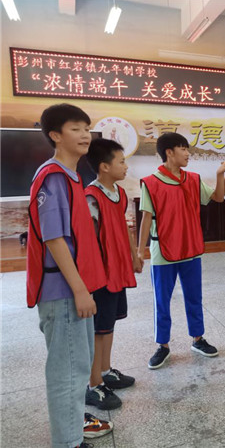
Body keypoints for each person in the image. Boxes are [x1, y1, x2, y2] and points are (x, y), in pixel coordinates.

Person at [27, 103, 113, 447]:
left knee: (78, 366)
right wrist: (79, 290)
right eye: (75, 128)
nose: (85, 135)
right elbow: (54, 238)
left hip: (74, 288)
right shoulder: (54, 177)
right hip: (63, 292)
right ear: (55, 135)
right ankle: (68, 442)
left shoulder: (72, 176)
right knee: (67, 371)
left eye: (86, 128)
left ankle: (73, 428)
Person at [137, 132, 225, 369]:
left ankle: (198, 339)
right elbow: (146, 219)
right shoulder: (151, 183)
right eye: (183, 149)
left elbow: (219, 197)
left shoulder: (192, 179)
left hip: (191, 249)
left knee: (194, 297)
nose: (187, 153)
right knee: (162, 300)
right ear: (169, 152)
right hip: (163, 252)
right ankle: (163, 345)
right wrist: (140, 251)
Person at [84, 138, 142, 411]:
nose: (126, 166)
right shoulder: (91, 197)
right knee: (98, 329)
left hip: (118, 270)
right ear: (104, 166)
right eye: (121, 161)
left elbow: (125, 226)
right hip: (102, 275)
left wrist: (134, 255)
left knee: (109, 324)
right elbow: (88, 242)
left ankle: (106, 371)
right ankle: (93, 384)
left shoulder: (119, 193)